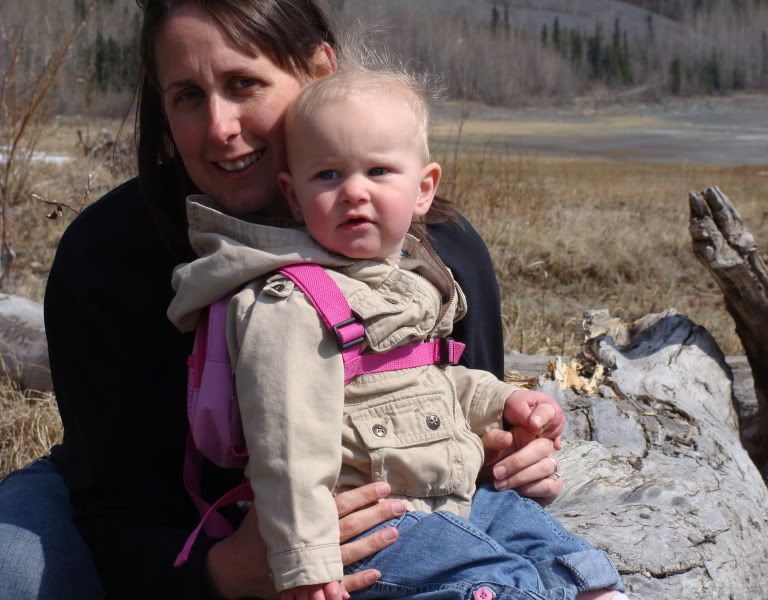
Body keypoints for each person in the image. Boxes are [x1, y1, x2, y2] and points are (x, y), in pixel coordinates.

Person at [0, 2, 566, 599]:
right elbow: (114, 506)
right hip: (168, 533)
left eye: (244, 84)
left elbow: (461, 401)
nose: (220, 126)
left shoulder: (438, 251)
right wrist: (225, 572)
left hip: (381, 518)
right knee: (17, 567)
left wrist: (512, 451)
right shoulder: (109, 255)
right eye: (188, 96)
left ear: (319, 68)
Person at [168, 66, 626, 600]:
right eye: (328, 176)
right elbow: (286, 444)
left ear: (424, 188)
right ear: (293, 197)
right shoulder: (289, 303)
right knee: (496, 583)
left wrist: (503, 403)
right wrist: (304, 563)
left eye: (378, 171)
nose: (354, 193)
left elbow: (427, 379)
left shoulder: (406, 280)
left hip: (449, 494)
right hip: (371, 516)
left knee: (560, 553)